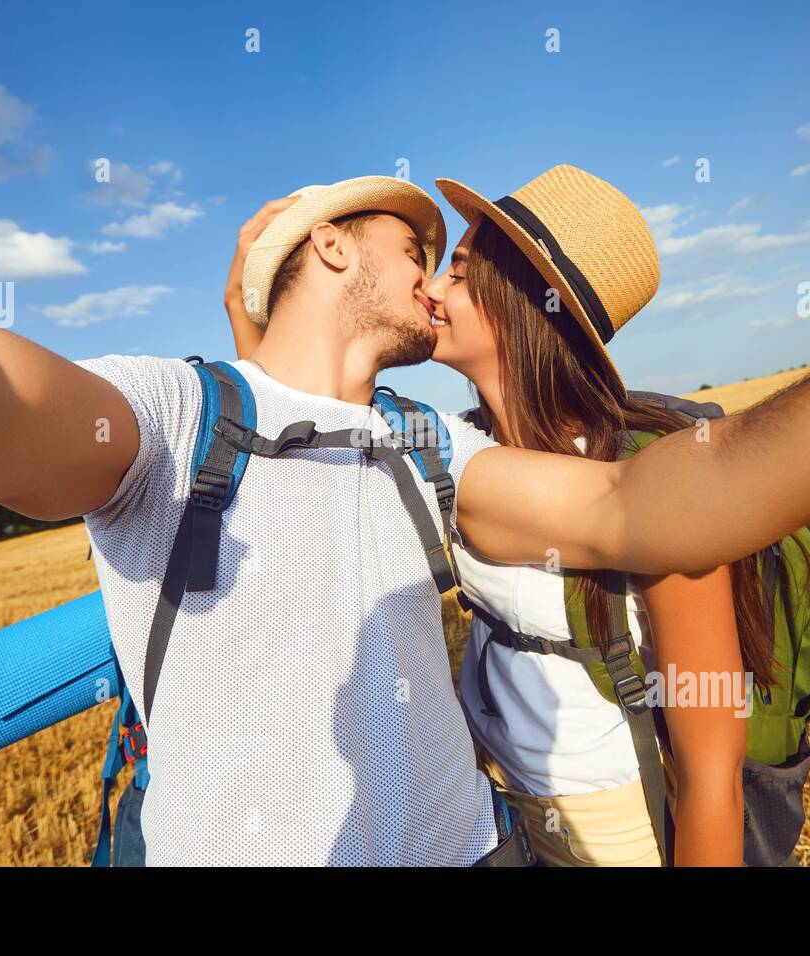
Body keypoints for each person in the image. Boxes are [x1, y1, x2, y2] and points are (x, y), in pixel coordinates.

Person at [0, 164, 810, 865]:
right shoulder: (166, 419)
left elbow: (658, 508)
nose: (435, 273)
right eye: (413, 242)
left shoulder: (428, 453)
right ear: (330, 253)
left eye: (456, 256)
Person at [224, 167, 763, 866]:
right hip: (498, 819)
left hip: (616, 832)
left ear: (525, 304)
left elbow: (711, 773)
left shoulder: (640, 478)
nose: (433, 286)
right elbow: (295, 449)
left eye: (460, 270)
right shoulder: (451, 455)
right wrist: (249, 305)